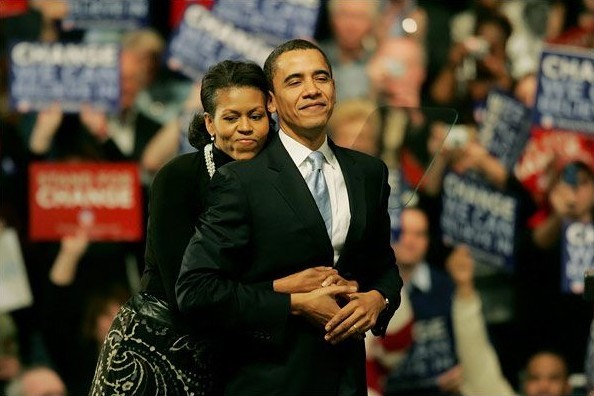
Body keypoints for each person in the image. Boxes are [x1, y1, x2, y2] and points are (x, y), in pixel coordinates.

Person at [90, 60, 351, 395]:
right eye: (231, 117)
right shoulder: (178, 177)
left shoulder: (289, 178)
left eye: (255, 116)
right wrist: (288, 289)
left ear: (270, 115)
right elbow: (187, 294)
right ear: (210, 123)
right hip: (154, 351)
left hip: (239, 361)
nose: (245, 127)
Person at [177, 39, 402, 395]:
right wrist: (294, 305)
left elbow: (384, 267)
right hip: (269, 380)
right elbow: (197, 291)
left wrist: (379, 300)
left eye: (321, 78)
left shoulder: (369, 173)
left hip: (346, 379)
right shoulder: (241, 181)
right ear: (270, 101)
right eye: (294, 81)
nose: (311, 90)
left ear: (334, 87)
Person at [366, 207, 513, 395]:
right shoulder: (367, 289)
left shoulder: (448, 286)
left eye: (419, 234)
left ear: (428, 241)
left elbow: (476, 344)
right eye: (403, 232)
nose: (410, 241)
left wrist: (463, 373)